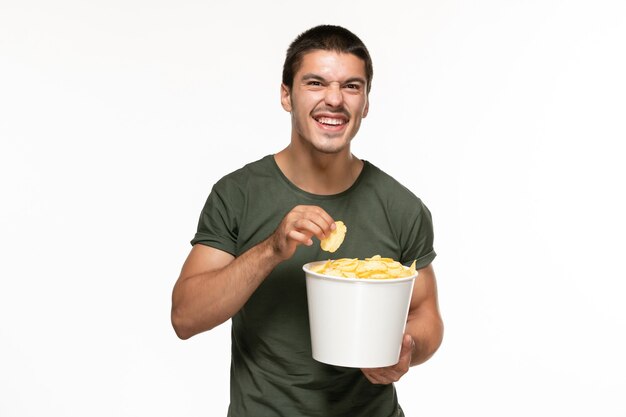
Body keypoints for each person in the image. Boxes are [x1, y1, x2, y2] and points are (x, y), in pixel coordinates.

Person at [171, 24, 444, 417]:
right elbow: (185, 316)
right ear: (286, 95)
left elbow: (426, 315)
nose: (334, 100)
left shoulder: (401, 206)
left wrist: (404, 351)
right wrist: (271, 249)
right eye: (315, 83)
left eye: (352, 86)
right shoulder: (238, 194)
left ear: (366, 102)